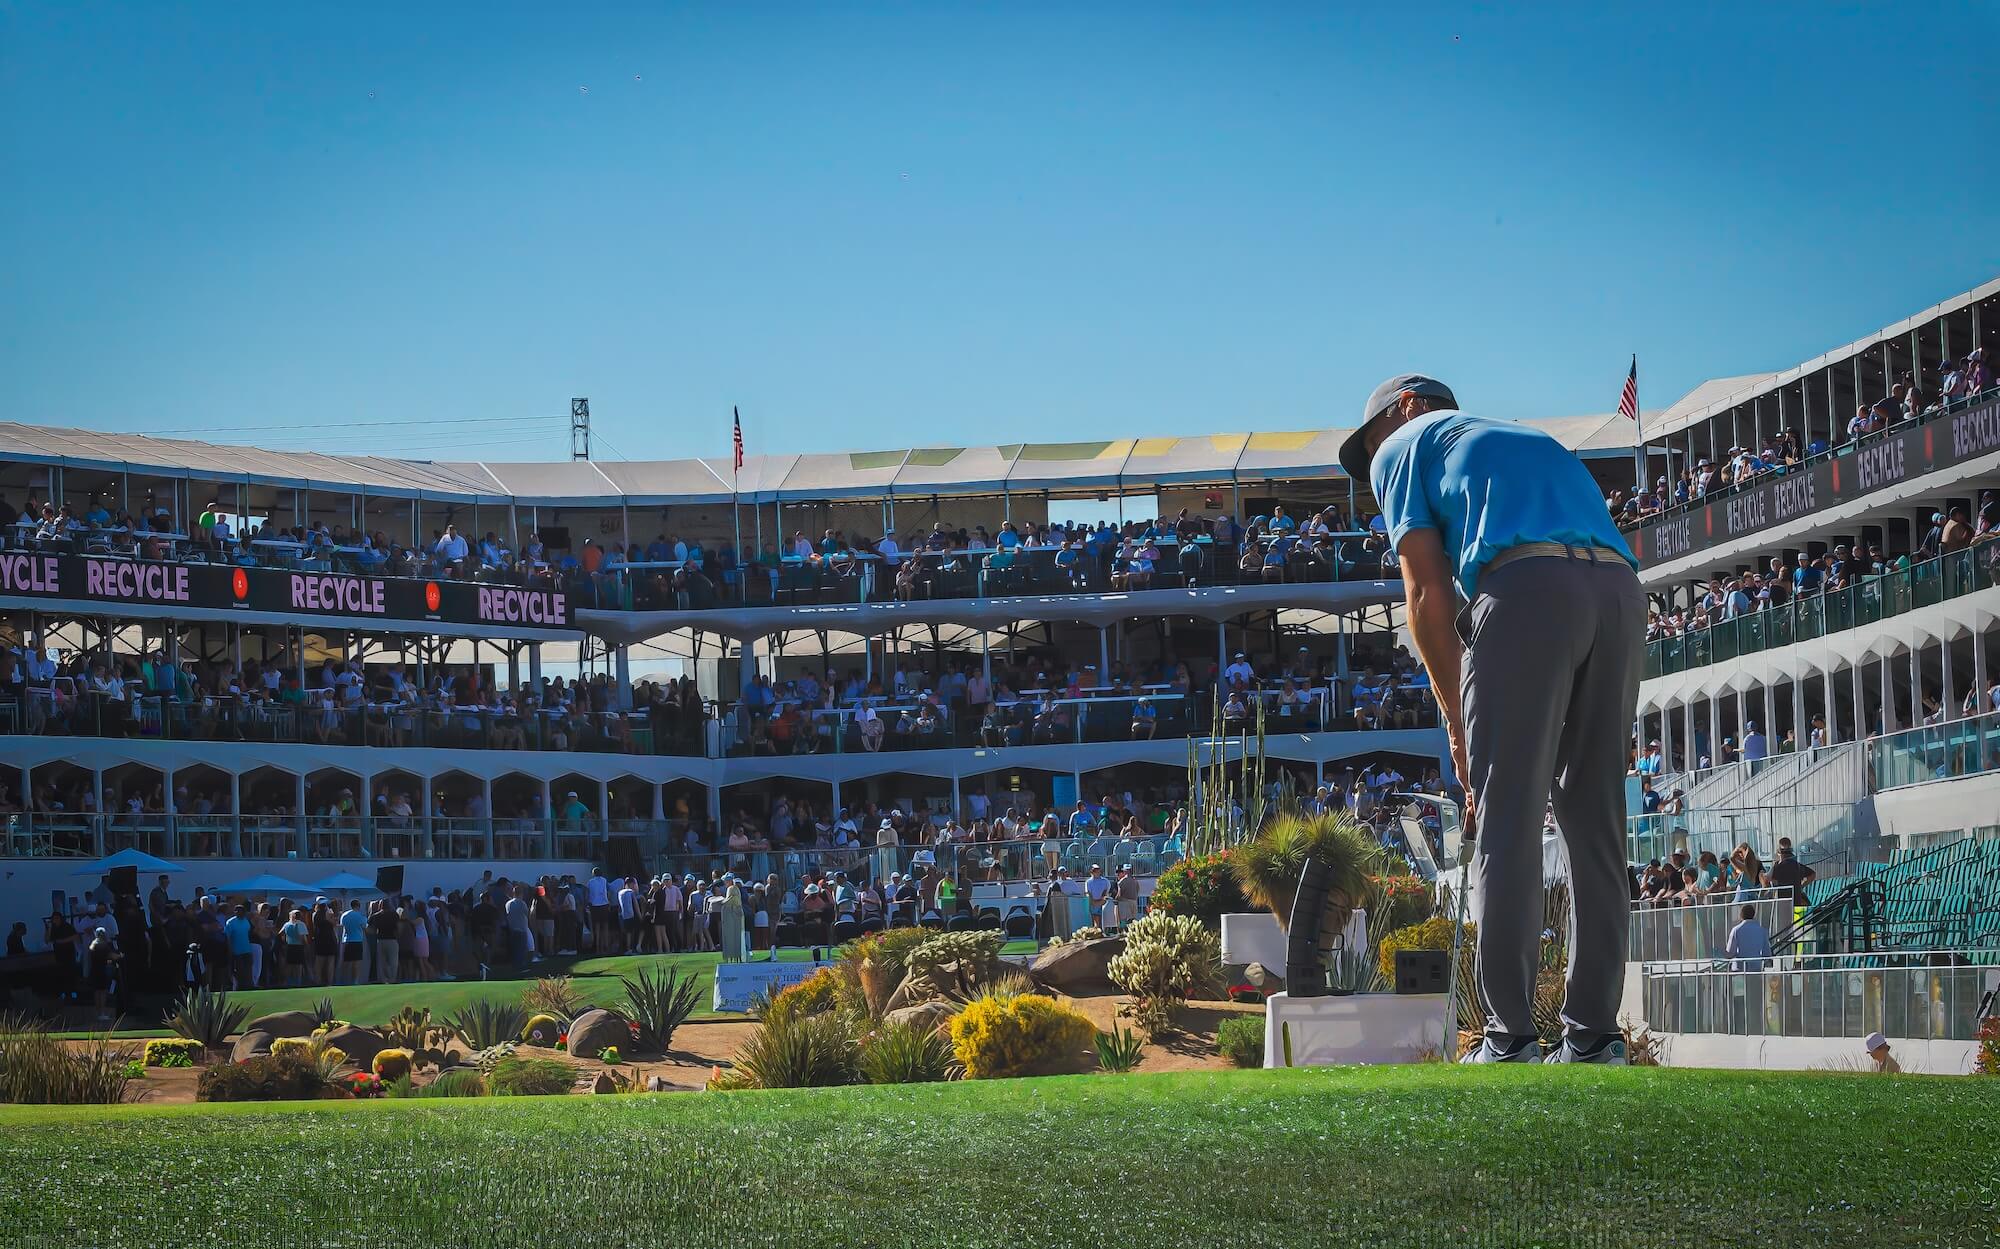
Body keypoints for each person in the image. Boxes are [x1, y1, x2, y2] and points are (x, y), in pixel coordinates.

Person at [1342, 373, 1643, 1065]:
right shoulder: (1522, 437)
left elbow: (1423, 593)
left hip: (1527, 589)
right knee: (1597, 826)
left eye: (1371, 439)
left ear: (1409, 408)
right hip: (1621, 593)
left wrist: (1454, 718)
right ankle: (1595, 1035)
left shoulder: (1405, 444)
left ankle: (1509, 1036)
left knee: (1505, 816)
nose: (1373, 461)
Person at [1723, 903, 1772, 971]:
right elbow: (1767, 953)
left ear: (1741, 915)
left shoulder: (1736, 930)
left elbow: (1730, 953)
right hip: (1756, 968)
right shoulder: (1762, 931)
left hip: (1739, 969)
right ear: (1753, 915)